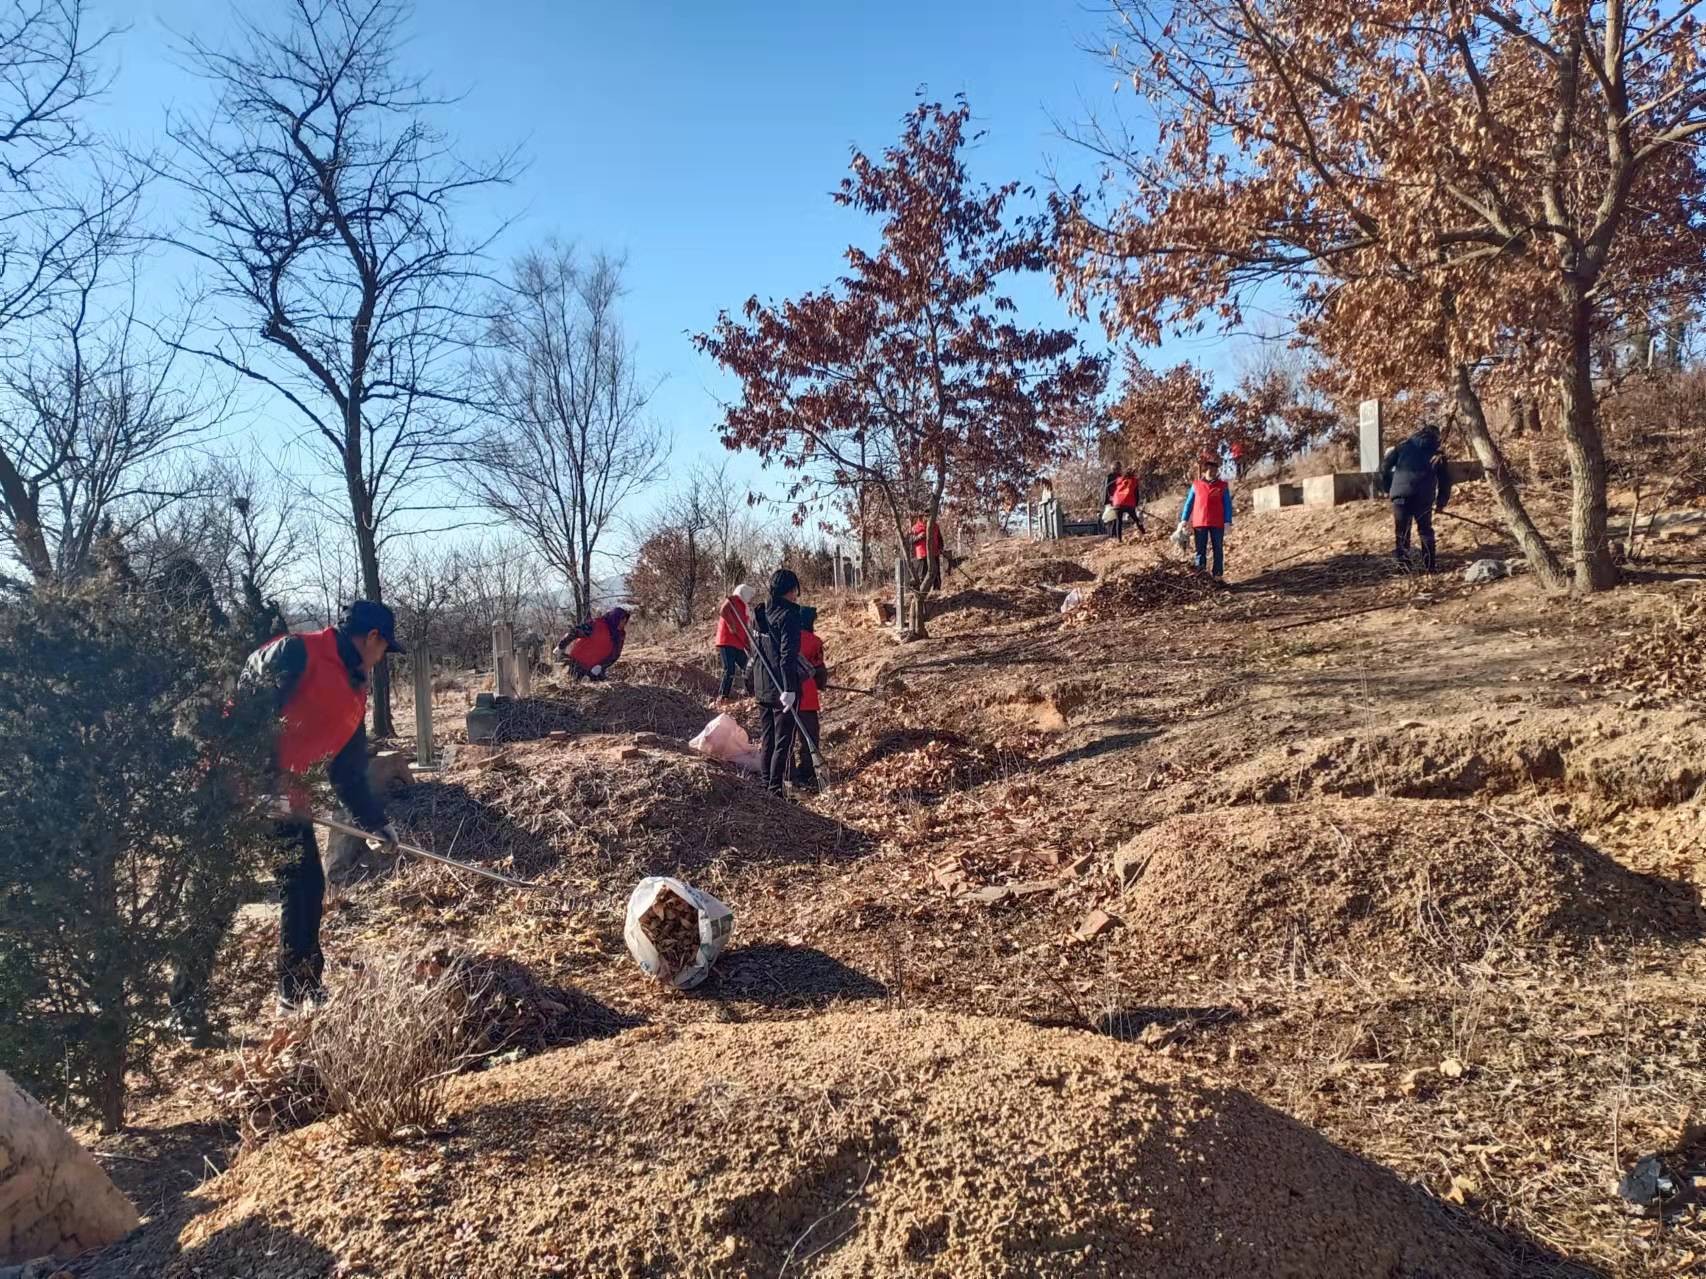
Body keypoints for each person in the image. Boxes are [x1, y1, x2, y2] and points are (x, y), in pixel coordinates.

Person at [172, 600, 404, 1031]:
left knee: (305, 884)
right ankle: (186, 1005)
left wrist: (374, 822)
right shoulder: (297, 652)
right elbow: (245, 719)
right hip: (227, 789)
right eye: (384, 647)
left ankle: (297, 991)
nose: (382, 657)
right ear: (372, 637)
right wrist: (257, 781)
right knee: (216, 893)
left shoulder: (356, 690)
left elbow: (347, 772)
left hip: (285, 797)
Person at [751, 569, 803, 797]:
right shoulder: (788, 616)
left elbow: (757, 652)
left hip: (762, 685)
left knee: (768, 738)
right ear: (790, 590)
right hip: (780, 688)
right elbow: (787, 656)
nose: (796, 595)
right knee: (782, 741)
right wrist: (790, 689)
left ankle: (766, 786)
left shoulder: (761, 613)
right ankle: (775, 790)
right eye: (795, 590)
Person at [1380, 423, 1452, 573]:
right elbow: (1445, 481)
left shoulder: (1402, 447)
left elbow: (1383, 468)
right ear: (1436, 437)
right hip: (1423, 497)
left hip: (1400, 496)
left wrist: (1388, 488)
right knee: (1425, 531)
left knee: (1402, 533)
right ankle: (1430, 567)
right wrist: (1441, 503)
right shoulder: (1437, 453)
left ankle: (1403, 568)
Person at [1179, 456, 1233, 582]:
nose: (1212, 472)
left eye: (1214, 469)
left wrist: (1227, 521)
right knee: (1200, 550)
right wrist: (1184, 519)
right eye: (1209, 469)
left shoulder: (1222, 486)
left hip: (1217, 522)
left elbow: (1227, 504)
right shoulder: (1196, 485)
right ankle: (1201, 575)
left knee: (1218, 548)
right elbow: (1189, 503)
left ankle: (1217, 575)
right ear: (1204, 471)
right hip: (1200, 522)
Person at [792, 606, 829, 790]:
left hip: (784, 697)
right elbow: (819, 670)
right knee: (809, 737)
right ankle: (807, 772)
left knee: (787, 737)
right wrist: (821, 683)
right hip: (806, 696)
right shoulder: (814, 641)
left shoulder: (786, 637)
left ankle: (788, 772)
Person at [556, 607, 630, 679]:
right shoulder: (595, 625)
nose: (623, 624)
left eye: (625, 622)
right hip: (576, 664)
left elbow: (615, 655)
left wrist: (601, 666)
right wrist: (561, 646)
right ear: (615, 619)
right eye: (621, 621)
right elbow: (574, 632)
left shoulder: (619, 636)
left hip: (594, 670)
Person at [715, 583, 756, 698]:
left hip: (738, 643)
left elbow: (745, 628)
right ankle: (723, 696)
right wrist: (731, 624)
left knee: (748, 668)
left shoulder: (744, 607)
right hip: (727, 641)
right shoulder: (733, 600)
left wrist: (748, 644)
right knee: (729, 669)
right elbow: (723, 610)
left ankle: (749, 692)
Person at [1111, 467, 1145, 542]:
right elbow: (1136, 494)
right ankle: (1143, 532)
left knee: (1119, 521)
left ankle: (1119, 539)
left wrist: (1111, 498)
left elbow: (1110, 487)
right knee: (1136, 519)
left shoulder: (1119, 480)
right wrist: (1136, 504)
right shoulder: (1134, 481)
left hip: (1117, 503)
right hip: (1128, 503)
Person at [912, 517, 945, 590]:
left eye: (928, 515)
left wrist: (941, 547)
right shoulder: (915, 527)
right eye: (925, 515)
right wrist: (919, 537)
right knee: (922, 575)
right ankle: (922, 592)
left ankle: (937, 590)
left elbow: (940, 538)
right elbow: (910, 540)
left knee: (936, 573)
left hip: (934, 553)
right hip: (922, 554)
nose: (926, 517)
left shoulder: (935, 526)